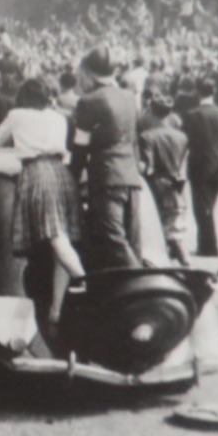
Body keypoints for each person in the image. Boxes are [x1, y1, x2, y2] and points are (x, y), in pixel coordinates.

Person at [0, 78, 86, 330]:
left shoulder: (17, 115)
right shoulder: (59, 117)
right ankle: (55, 310)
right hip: (61, 173)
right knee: (62, 241)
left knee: (55, 235)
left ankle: (84, 279)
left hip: (37, 172)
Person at [71, 47, 143, 271]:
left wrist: (72, 176)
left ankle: (142, 283)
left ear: (89, 72)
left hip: (106, 177)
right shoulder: (130, 98)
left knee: (112, 238)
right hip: (130, 176)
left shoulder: (88, 102)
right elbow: (133, 140)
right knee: (131, 239)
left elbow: (80, 148)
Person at [181, 78, 218, 257]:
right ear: (215, 91)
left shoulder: (191, 115)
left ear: (197, 92)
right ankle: (214, 244)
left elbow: (185, 141)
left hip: (199, 165)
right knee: (216, 206)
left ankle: (208, 246)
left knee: (202, 207)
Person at [139, 93, 191, 266]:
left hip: (156, 184)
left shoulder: (147, 136)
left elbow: (147, 166)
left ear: (152, 111)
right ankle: (178, 257)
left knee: (158, 225)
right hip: (177, 183)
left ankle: (181, 257)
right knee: (173, 221)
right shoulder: (182, 137)